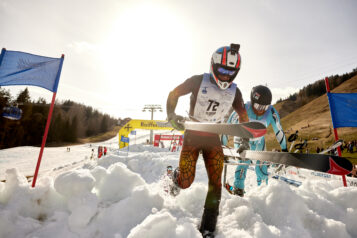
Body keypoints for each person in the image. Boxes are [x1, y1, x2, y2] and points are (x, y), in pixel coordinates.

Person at [166, 44, 249, 237]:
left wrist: (244, 139)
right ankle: (175, 178)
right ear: (213, 65)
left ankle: (209, 228)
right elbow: (174, 93)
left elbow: (243, 116)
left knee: (216, 182)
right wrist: (171, 115)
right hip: (193, 135)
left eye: (231, 72)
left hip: (213, 138)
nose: (226, 76)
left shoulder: (235, 92)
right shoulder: (197, 81)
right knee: (187, 181)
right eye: (222, 70)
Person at [222, 85, 288, 196]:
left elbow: (279, 131)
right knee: (244, 162)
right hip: (242, 139)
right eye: (258, 106)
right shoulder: (244, 108)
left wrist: (285, 149)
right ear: (252, 101)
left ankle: (263, 192)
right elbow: (228, 127)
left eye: (265, 107)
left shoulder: (271, 112)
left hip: (259, 142)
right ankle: (238, 189)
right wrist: (222, 147)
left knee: (261, 167)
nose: (261, 110)